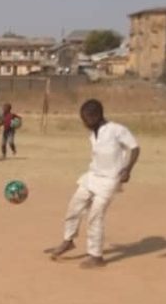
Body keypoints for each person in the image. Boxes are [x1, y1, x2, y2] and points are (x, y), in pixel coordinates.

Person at [45, 99, 141, 269]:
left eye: (85, 119)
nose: (84, 123)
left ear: (95, 116)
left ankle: (96, 256)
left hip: (110, 180)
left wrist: (128, 169)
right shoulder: (93, 134)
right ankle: (68, 240)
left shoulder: (116, 130)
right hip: (92, 176)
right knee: (74, 207)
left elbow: (135, 148)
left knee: (95, 215)